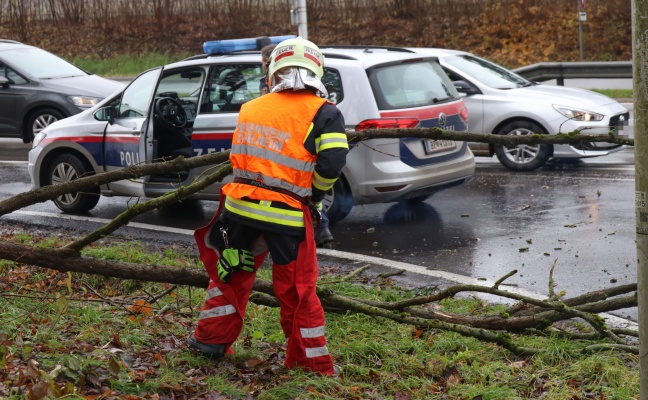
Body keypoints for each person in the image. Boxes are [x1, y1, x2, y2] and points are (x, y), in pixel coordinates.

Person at [187, 37, 349, 376]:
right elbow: (332, 165)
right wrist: (314, 195)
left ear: (274, 70)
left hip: (238, 210)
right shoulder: (326, 113)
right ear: (316, 70)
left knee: (231, 273)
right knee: (297, 290)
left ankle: (209, 341)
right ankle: (308, 362)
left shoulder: (251, 108)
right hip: (287, 216)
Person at [259, 42, 335, 248]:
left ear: (269, 63)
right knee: (309, 186)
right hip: (296, 151)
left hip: (283, 150)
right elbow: (330, 166)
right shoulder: (324, 108)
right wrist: (316, 193)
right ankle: (321, 228)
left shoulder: (264, 92)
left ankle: (320, 227)